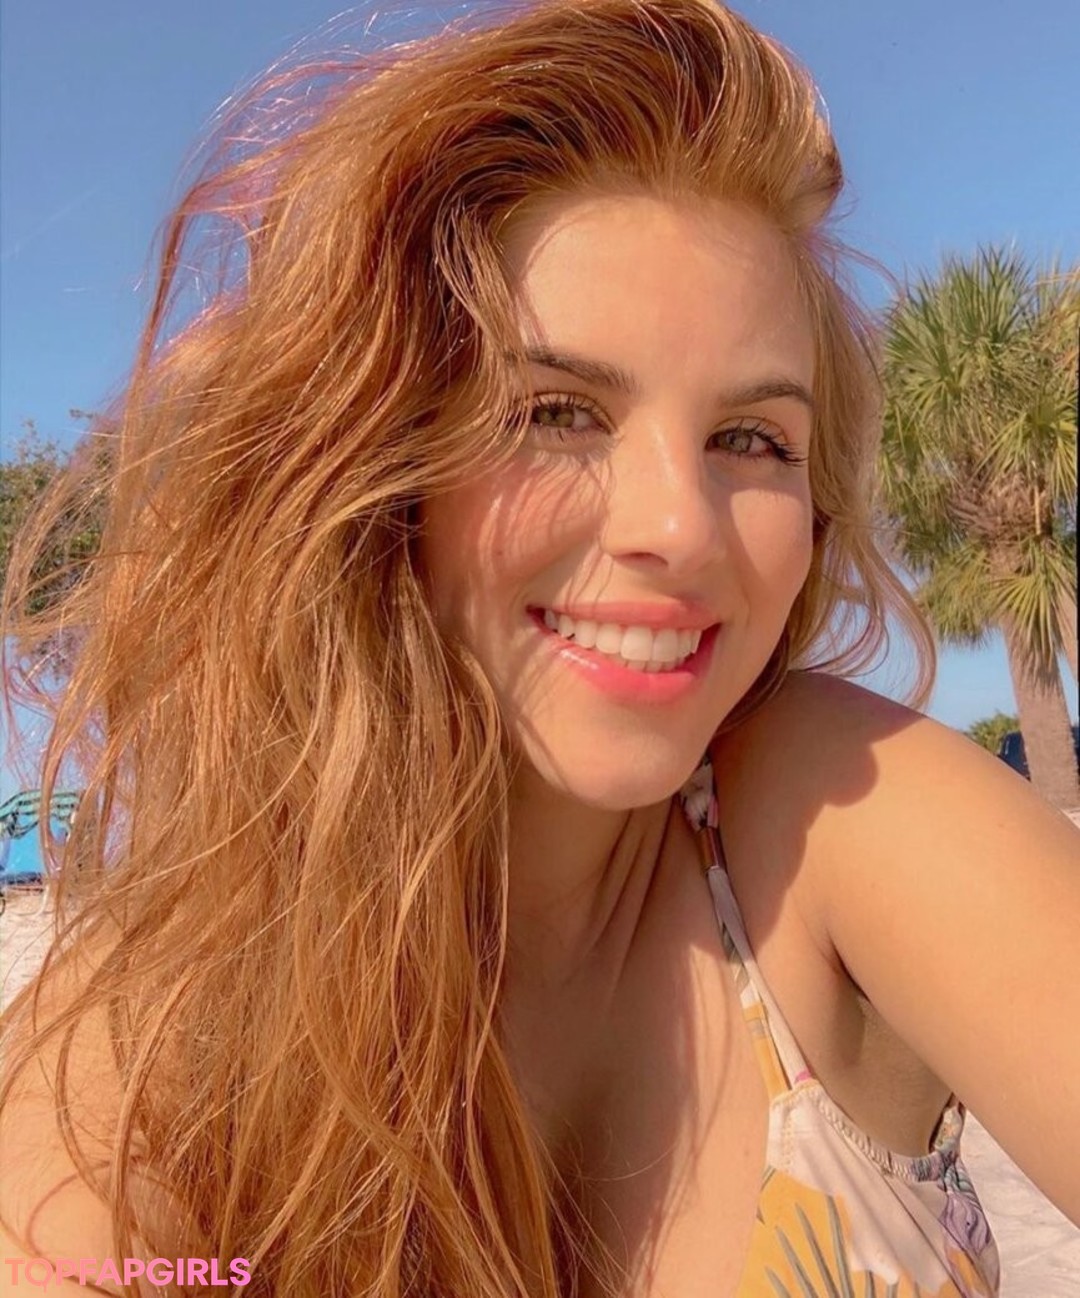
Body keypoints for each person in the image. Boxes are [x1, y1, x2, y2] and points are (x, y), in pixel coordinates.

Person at [2, 1, 1078, 1294]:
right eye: (555, 412)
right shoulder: (153, 1043)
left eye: (752, 439)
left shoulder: (838, 814)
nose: (681, 527)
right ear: (378, 470)